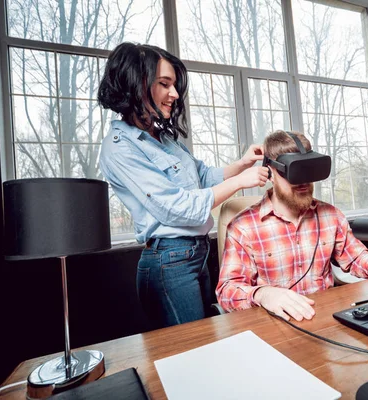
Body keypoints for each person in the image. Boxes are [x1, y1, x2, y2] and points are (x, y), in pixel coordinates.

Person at [97, 42, 269, 328]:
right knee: (195, 349)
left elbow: (200, 177)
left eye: (174, 85)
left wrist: (242, 164)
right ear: (135, 84)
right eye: (164, 84)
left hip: (195, 254)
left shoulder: (163, 139)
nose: (174, 94)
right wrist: (240, 183)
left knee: (207, 341)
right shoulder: (120, 148)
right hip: (170, 263)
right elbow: (178, 208)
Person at [216, 130, 368, 322]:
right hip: (274, 324)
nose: (304, 182)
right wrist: (263, 294)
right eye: (295, 172)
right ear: (270, 172)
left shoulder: (330, 215)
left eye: (308, 171)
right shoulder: (244, 227)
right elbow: (227, 291)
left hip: (324, 318)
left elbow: (355, 255)